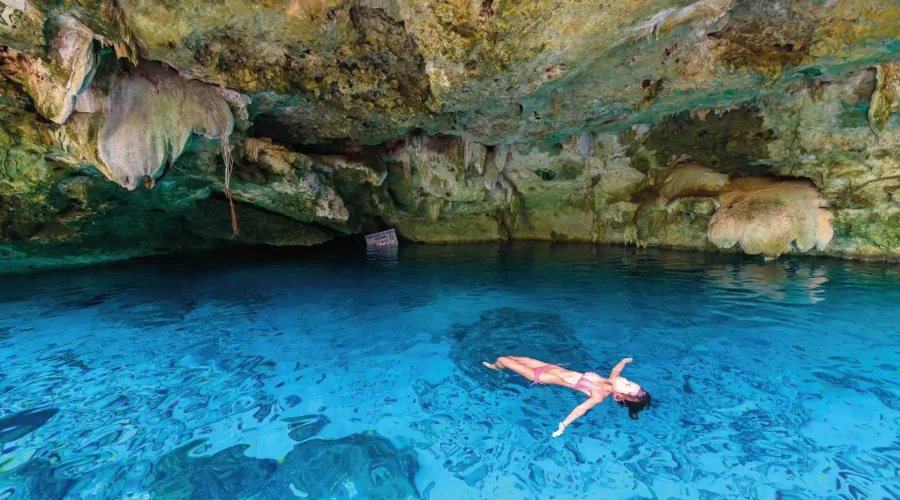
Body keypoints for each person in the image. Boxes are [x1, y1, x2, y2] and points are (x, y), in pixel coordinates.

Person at [482, 356, 651, 437]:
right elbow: (617, 371)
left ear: (620, 395)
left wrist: (563, 425)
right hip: (547, 366)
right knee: (511, 357)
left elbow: (581, 408)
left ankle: (495, 368)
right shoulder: (612, 380)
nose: (625, 380)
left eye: (627, 384)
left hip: (538, 376)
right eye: (629, 380)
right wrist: (624, 361)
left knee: (502, 360)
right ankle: (498, 367)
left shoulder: (598, 395)